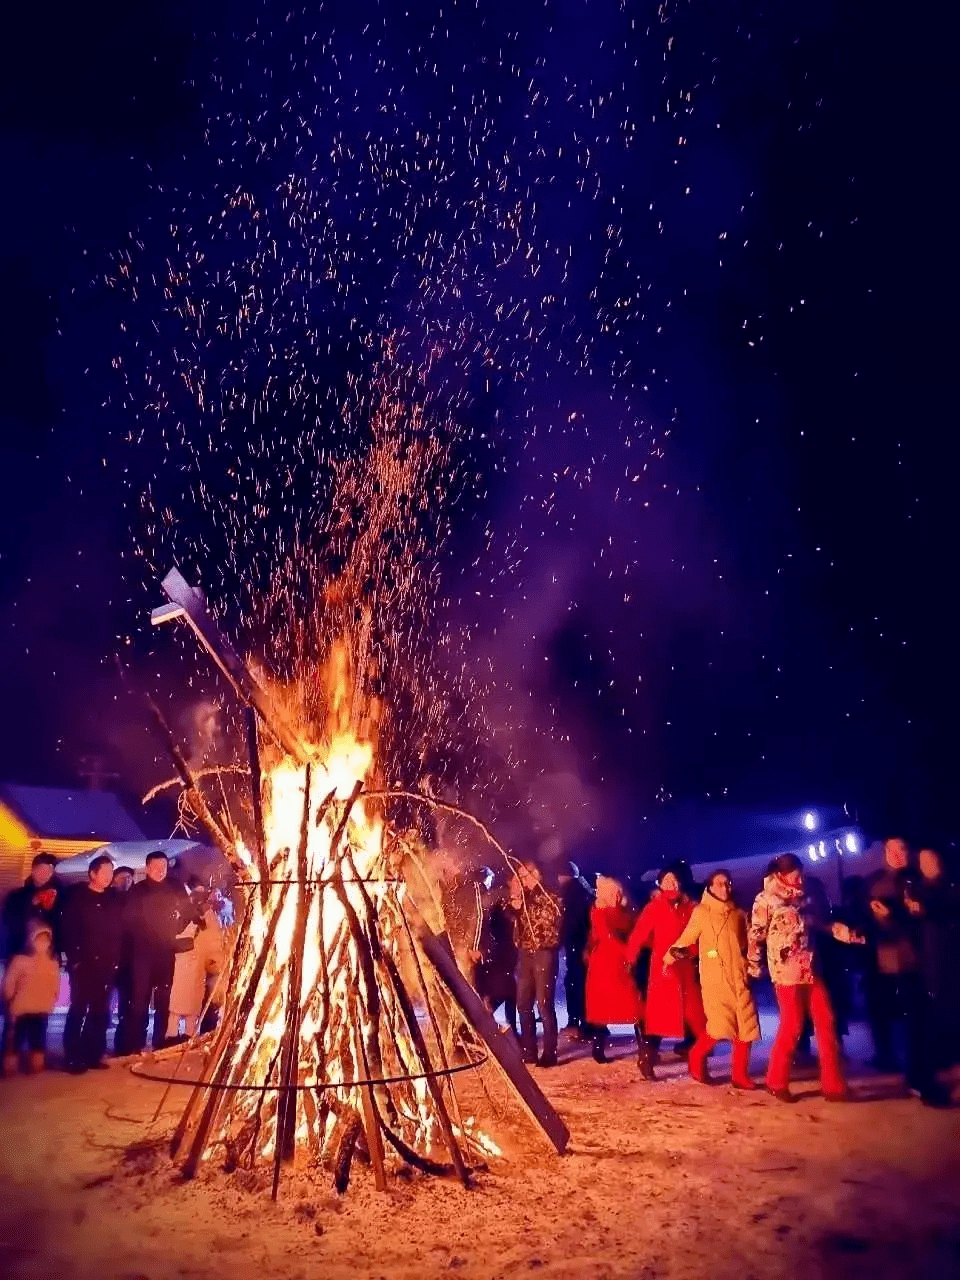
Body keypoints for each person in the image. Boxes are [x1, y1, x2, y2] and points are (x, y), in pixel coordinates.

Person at [748, 853, 863, 1102]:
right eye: (794, 873)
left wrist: (847, 934)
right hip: (786, 973)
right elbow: (756, 935)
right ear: (780, 874)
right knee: (793, 1025)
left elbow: (821, 923)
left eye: (800, 872)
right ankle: (776, 1080)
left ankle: (834, 1085)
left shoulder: (805, 896)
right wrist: (754, 965)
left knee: (826, 1021)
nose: (799, 878)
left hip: (811, 969)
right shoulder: (766, 899)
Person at [865, 838, 949, 1105]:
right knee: (907, 1021)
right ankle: (912, 1074)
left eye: (902, 849)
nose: (897, 854)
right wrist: (889, 918)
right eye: (891, 850)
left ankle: (919, 1076)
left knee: (920, 1022)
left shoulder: (917, 881)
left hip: (922, 960)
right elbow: (879, 928)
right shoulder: (879, 883)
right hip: (894, 963)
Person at [664, 870, 760, 1089]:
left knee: (746, 1027)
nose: (725, 888)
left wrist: (751, 964)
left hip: (740, 976)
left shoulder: (738, 913)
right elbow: (687, 938)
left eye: (728, 883)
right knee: (719, 1026)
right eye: (720, 884)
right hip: (715, 978)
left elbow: (748, 944)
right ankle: (696, 1059)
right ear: (710, 887)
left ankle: (740, 1075)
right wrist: (669, 957)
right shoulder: (702, 912)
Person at [626, 862, 712, 1081]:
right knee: (658, 1020)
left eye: (673, 880)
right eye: (665, 881)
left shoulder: (692, 908)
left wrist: (690, 952)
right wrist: (631, 957)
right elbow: (639, 933)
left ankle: (698, 1062)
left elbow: (700, 936)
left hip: (685, 970)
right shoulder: (655, 907)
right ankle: (647, 1057)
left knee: (697, 1017)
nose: (670, 885)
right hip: (663, 971)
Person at [123, 851, 195, 1054]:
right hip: (142, 953)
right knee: (140, 999)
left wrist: (178, 927)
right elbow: (129, 921)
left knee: (164, 998)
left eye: (164, 866)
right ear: (147, 868)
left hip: (166, 952)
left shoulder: (174, 886)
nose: (161, 871)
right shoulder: (138, 891)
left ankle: (159, 1041)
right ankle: (135, 1042)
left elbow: (188, 911)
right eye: (156, 866)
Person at [60, 853, 124, 1073]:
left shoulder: (112, 900)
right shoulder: (78, 898)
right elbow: (69, 931)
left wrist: (115, 959)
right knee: (78, 1009)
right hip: (84, 964)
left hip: (106, 965)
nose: (108, 877)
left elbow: (117, 932)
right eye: (104, 872)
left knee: (100, 1010)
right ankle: (72, 1056)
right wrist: (75, 960)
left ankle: (92, 1053)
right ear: (92, 874)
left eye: (110, 872)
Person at [584, 875, 643, 1064]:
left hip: (620, 964)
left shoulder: (625, 913)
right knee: (603, 1006)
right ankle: (598, 1048)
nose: (616, 896)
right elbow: (608, 937)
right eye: (612, 893)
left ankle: (645, 1049)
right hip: (605, 964)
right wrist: (629, 952)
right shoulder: (600, 913)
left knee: (634, 1006)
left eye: (618, 892)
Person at [510, 860, 564, 1068]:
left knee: (544, 1004)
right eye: (520, 877)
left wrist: (524, 904)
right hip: (525, 952)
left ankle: (550, 1052)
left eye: (524, 876)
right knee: (523, 1002)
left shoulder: (550, 894)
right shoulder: (523, 897)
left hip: (544, 952)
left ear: (536, 874)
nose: (522, 881)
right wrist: (514, 907)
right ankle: (529, 1049)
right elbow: (515, 920)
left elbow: (547, 920)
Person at [914, 848, 960, 1070]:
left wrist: (927, 909)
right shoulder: (916, 889)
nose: (928, 865)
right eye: (923, 861)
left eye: (932, 860)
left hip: (950, 956)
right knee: (937, 1012)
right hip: (930, 960)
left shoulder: (952, 887)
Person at [167, 879, 225, 1041]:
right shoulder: (182, 911)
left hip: (199, 963)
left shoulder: (208, 914)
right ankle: (171, 1034)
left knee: (194, 1000)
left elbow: (213, 938)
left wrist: (214, 959)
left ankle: (189, 1034)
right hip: (181, 962)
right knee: (177, 1001)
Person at [2, 922, 61, 1075]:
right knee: (14, 1039)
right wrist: (9, 999)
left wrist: (53, 999)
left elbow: (55, 984)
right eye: (38, 939)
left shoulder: (52, 963)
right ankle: (9, 1065)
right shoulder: (20, 961)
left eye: (46, 940)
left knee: (38, 1039)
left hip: (41, 1009)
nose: (42, 944)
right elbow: (10, 981)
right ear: (31, 940)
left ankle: (36, 1064)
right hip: (21, 1008)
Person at [467, 876, 519, 1035]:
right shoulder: (499, 900)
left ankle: (502, 1026)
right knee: (505, 991)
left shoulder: (501, 899)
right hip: (499, 953)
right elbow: (482, 922)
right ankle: (502, 1028)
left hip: (502, 953)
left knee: (506, 991)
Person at [1, 852, 65, 962]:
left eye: (49, 871)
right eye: (41, 870)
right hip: (21, 954)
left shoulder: (61, 896)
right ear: (33, 870)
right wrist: (32, 903)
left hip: (48, 956)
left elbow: (62, 925)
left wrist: (52, 908)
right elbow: (9, 922)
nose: (45, 874)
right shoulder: (16, 896)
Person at [558, 862, 594, 1036]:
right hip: (584, 943)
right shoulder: (584, 889)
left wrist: (562, 938)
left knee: (575, 982)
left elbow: (569, 921)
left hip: (576, 943)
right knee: (581, 982)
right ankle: (585, 1021)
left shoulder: (570, 892)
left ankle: (578, 1021)